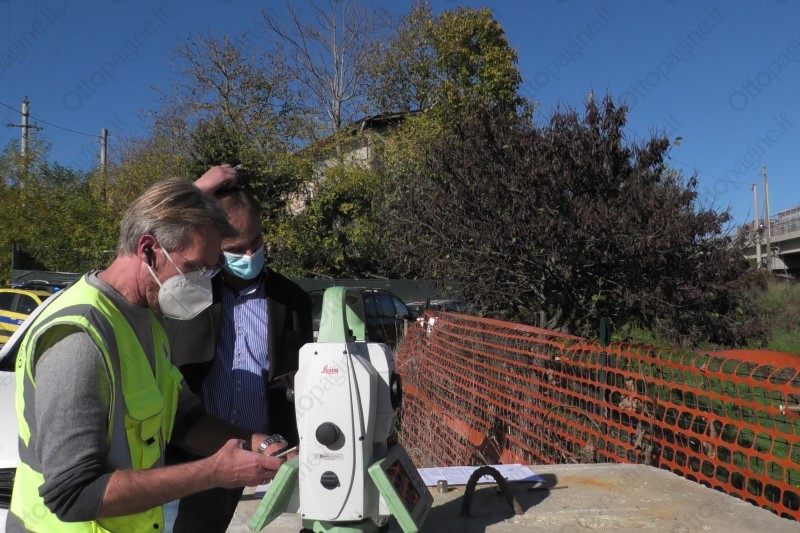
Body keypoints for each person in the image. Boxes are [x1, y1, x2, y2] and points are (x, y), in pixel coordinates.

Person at [7, 176, 291, 533]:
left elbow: (183, 419)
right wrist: (214, 472)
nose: (204, 283)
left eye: (211, 270)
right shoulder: (80, 337)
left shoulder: (148, 318)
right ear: (148, 249)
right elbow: (73, 494)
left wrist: (262, 445)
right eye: (195, 268)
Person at [166, 166, 313, 533]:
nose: (249, 254)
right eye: (235, 248)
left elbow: (297, 378)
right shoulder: (184, 292)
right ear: (213, 241)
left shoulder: (291, 299)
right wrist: (196, 189)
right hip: (198, 454)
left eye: (256, 242)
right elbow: (150, 232)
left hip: (267, 459)